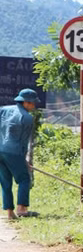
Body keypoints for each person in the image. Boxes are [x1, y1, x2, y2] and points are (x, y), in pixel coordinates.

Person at [0, 89, 39, 219]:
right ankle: (22, 209)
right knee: (24, 179)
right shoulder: (27, 118)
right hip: (14, 151)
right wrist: (24, 159)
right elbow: (23, 141)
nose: (34, 106)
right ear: (26, 102)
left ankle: (10, 213)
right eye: (33, 103)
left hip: (0, 150)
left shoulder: (3, 110)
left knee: (5, 182)